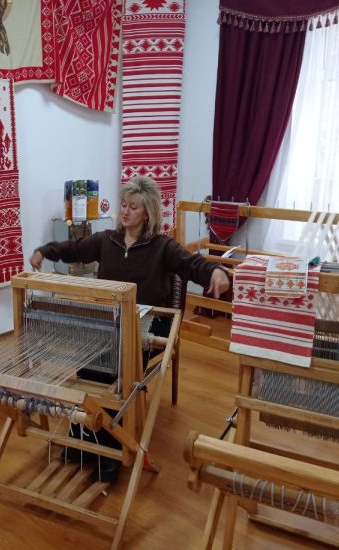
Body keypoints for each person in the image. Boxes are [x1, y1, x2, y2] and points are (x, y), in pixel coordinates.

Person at [29, 176, 230, 483]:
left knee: (117, 372)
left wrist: (216, 270)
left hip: (151, 325)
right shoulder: (107, 241)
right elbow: (74, 249)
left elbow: (192, 264)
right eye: (123, 204)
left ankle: (110, 450)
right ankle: (85, 438)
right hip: (112, 321)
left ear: (147, 213)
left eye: (133, 207)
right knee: (89, 368)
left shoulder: (163, 247)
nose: (125, 211)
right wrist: (45, 250)